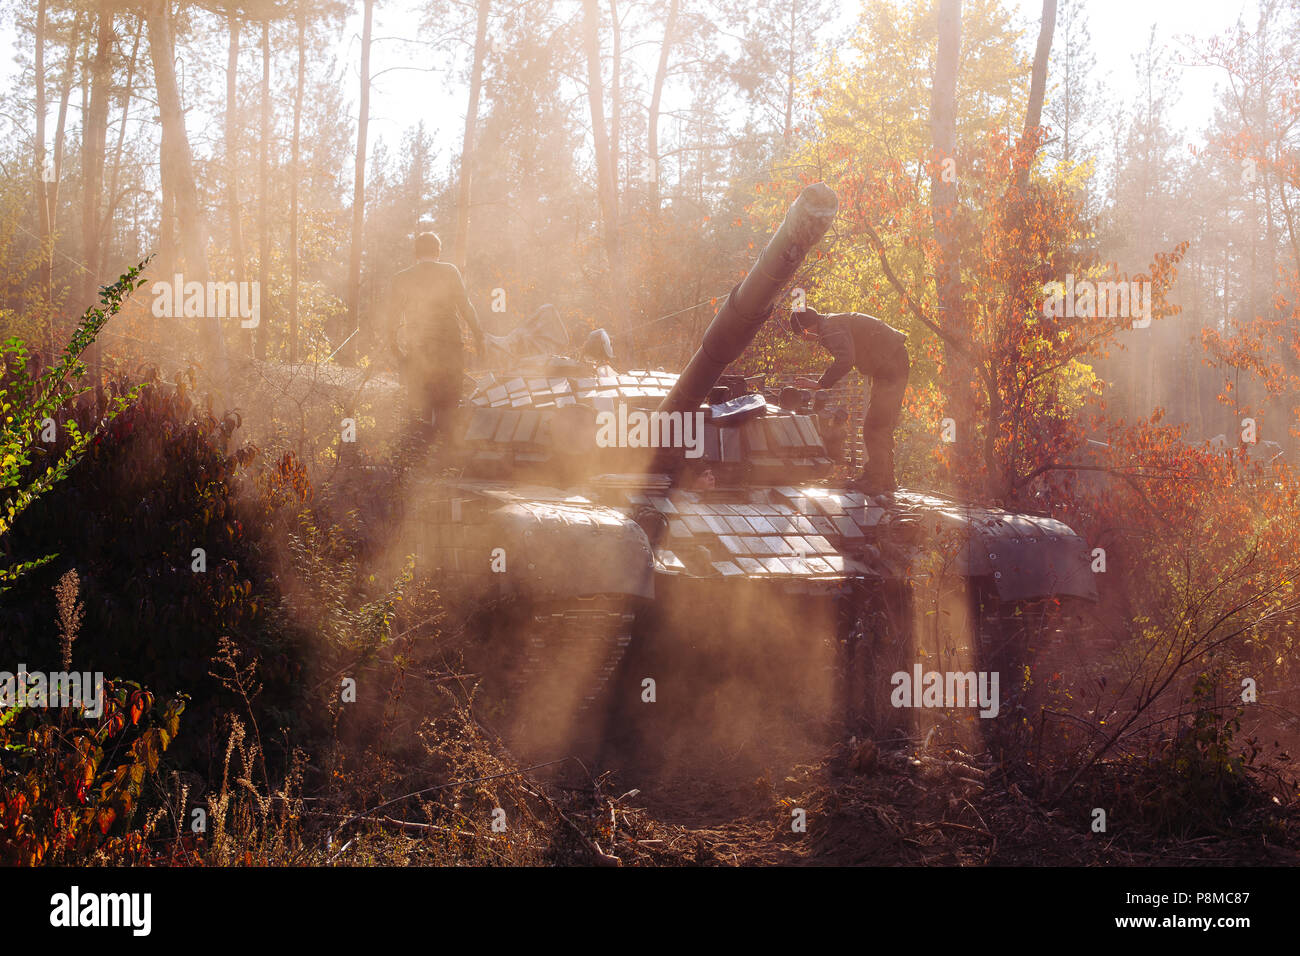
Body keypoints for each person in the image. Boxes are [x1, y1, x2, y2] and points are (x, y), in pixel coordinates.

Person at [792, 307, 909, 494]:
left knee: (875, 426)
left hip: (891, 365)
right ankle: (884, 479)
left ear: (808, 328)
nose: (804, 339)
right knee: (881, 424)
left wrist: (821, 384)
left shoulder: (830, 327)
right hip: (889, 365)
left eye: (802, 334)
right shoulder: (830, 324)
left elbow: (846, 359)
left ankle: (875, 481)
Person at [386, 232, 484, 440]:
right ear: (438, 251)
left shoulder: (401, 278)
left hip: (419, 347)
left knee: (421, 398)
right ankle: (446, 452)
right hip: (450, 345)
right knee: (450, 398)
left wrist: (394, 346)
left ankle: (419, 450)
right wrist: (478, 335)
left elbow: (391, 316)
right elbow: (465, 306)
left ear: (415, 253)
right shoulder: (450, 271)